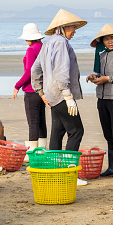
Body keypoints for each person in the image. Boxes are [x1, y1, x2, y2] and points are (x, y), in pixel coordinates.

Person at [31, 9, 87, 152]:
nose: (75, 30)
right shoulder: (61, 42)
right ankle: (69, 166)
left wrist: (41, 92)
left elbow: (35, 69)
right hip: (61, 95)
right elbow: (61, 71)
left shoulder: (47, 43)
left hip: (51, 95)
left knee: (57, 132)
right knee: (76, 131)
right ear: (63, 27)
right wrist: (68, 97)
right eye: (73, 27)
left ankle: (53, 167)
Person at [86, 24, 113, 179]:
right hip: (102, 99)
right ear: (102, 41)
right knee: (108, 134)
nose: (110, 42)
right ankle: (112, 167)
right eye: (106, 39)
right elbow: (99, 74)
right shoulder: (101, 55)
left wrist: (108, 79)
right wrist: (93, 76)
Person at [13, 23, 47, 154]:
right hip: (43, 90)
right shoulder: (43, 47)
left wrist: (17, 85)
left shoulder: (31, 49)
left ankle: (33, 151)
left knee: (33, 122)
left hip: (32, 91)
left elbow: (30, 72)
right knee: (41, 121)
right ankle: (43, 150)